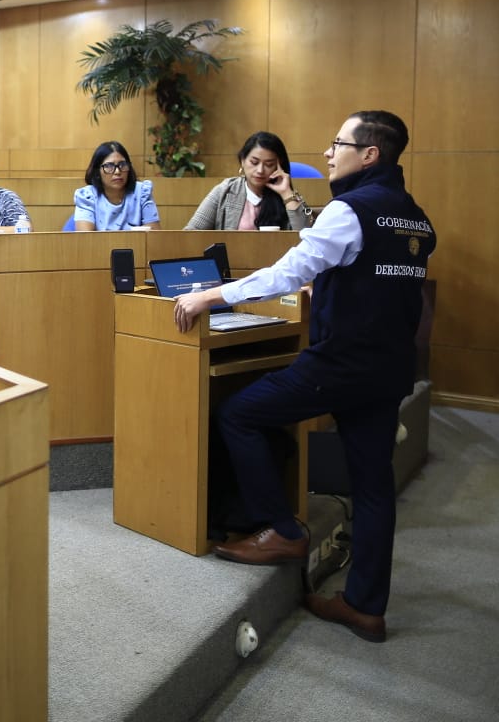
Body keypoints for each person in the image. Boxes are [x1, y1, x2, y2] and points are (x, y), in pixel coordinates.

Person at [173, 111, 435, 644]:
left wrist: (210, 295)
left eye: (339, 143)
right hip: (388, 367)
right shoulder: (414, 215)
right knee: (373, 486)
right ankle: (365, 608)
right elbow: (379, 278)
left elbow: (290, 270)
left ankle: (284, 529)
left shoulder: (350, 209)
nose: (328, 152)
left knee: (238, 413)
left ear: (369, 154)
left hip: (341, 364)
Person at [185, 131, 312, 230]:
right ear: (243, 161)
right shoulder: (225, 190)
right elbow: (191, 233)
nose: (260, 170)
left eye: (269, 164)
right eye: (254, 162)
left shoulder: (288, 195)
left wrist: (286, 194)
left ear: (279, 166)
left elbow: (305, 238)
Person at [72, 141, 159, 230]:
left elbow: (154, 233)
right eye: (109, 166)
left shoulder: (142, 192)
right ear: (97, 171)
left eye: (123, 165)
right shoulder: (87, 196)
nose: (117, 171)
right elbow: (86, 236)